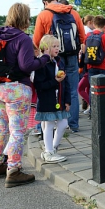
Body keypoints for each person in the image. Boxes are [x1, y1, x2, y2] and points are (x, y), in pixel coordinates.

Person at [0, 3, 50, 187]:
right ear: (25, 18)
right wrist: (45, 58)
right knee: (17, 131)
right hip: (17, 89)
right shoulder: (22, 38)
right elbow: (27, 65)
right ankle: (14, 169)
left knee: (1, 128)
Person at [34, 0, 86, 133]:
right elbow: (82, 35)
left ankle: (43, 126)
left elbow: (37, 39)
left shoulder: (44, 15)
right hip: (72, 55)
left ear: (45, 2)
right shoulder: (73, 12)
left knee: (49, 89)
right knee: (73, 90)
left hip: (52, 58)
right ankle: (73, 124)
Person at [34, 35, 70, 163]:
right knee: (48, 125)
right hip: (47, 100)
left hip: (59, 100)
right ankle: (48, 151)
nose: (57, 49)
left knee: (63, 124)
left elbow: (66, 82)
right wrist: (55, 81)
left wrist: (67, 100)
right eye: (54, 46)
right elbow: (39, 85)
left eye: (58, 46)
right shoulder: (41, 64)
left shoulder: (59, 61)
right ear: (45, 48)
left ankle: (52, 148)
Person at [84, 15, 105, 116]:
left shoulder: (88, 35)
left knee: (93, 89)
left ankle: (93, 111)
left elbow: (84, 50)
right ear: (104, 26)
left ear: (94, 24)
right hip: (103, 66)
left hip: (91, 66)